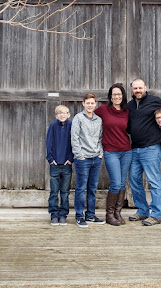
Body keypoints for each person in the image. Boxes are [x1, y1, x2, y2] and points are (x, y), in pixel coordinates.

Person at [128, 78, 161, 226]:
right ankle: (142, 210)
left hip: (151, 148)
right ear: (132, 90)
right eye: (135, 88)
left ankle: (156, 214)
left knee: (154, 181)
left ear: (145, 87)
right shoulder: (130, 105)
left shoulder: (154, 100)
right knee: (134, 179)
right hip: (135, 148)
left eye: (140, 88)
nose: (138, 90)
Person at [95, 83, 132, 226]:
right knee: (116, 183)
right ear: (111, 96)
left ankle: (117, 212)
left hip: (126, 151)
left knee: (122, 183)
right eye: (114, 94)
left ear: (122, 96)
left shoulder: (127, 111)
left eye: (119, 94)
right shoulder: (104, 110)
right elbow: (89, 115)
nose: (116, 96)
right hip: (111, 151)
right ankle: (109, 214)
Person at [71, 92, 105, 228]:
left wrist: (100, 153)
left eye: (92, 103)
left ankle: (90, 215)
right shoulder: (78, 118)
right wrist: (79, 155)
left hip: (96, 158)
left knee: (92, 188)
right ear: (83, 103)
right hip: (83, 159)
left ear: (95, 104)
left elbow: (101, 138)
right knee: (81, 188)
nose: (90, 105)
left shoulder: (98, 120)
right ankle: (79, 216)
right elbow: (74, 138)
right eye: (88, 103)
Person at [46, 105, 73, 226]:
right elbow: (49, 143)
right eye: (60, 113)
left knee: (65, 192)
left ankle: (63, 214)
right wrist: (51, 159)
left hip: (67, 164)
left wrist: (71, 159)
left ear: (69, 115)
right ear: (56, 116)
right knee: (54, 191)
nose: (62, 115)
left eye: (65, 113)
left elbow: (75, 142)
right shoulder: (53, 126)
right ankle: (54, 214)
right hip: (55, 164)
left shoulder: (71, 125)